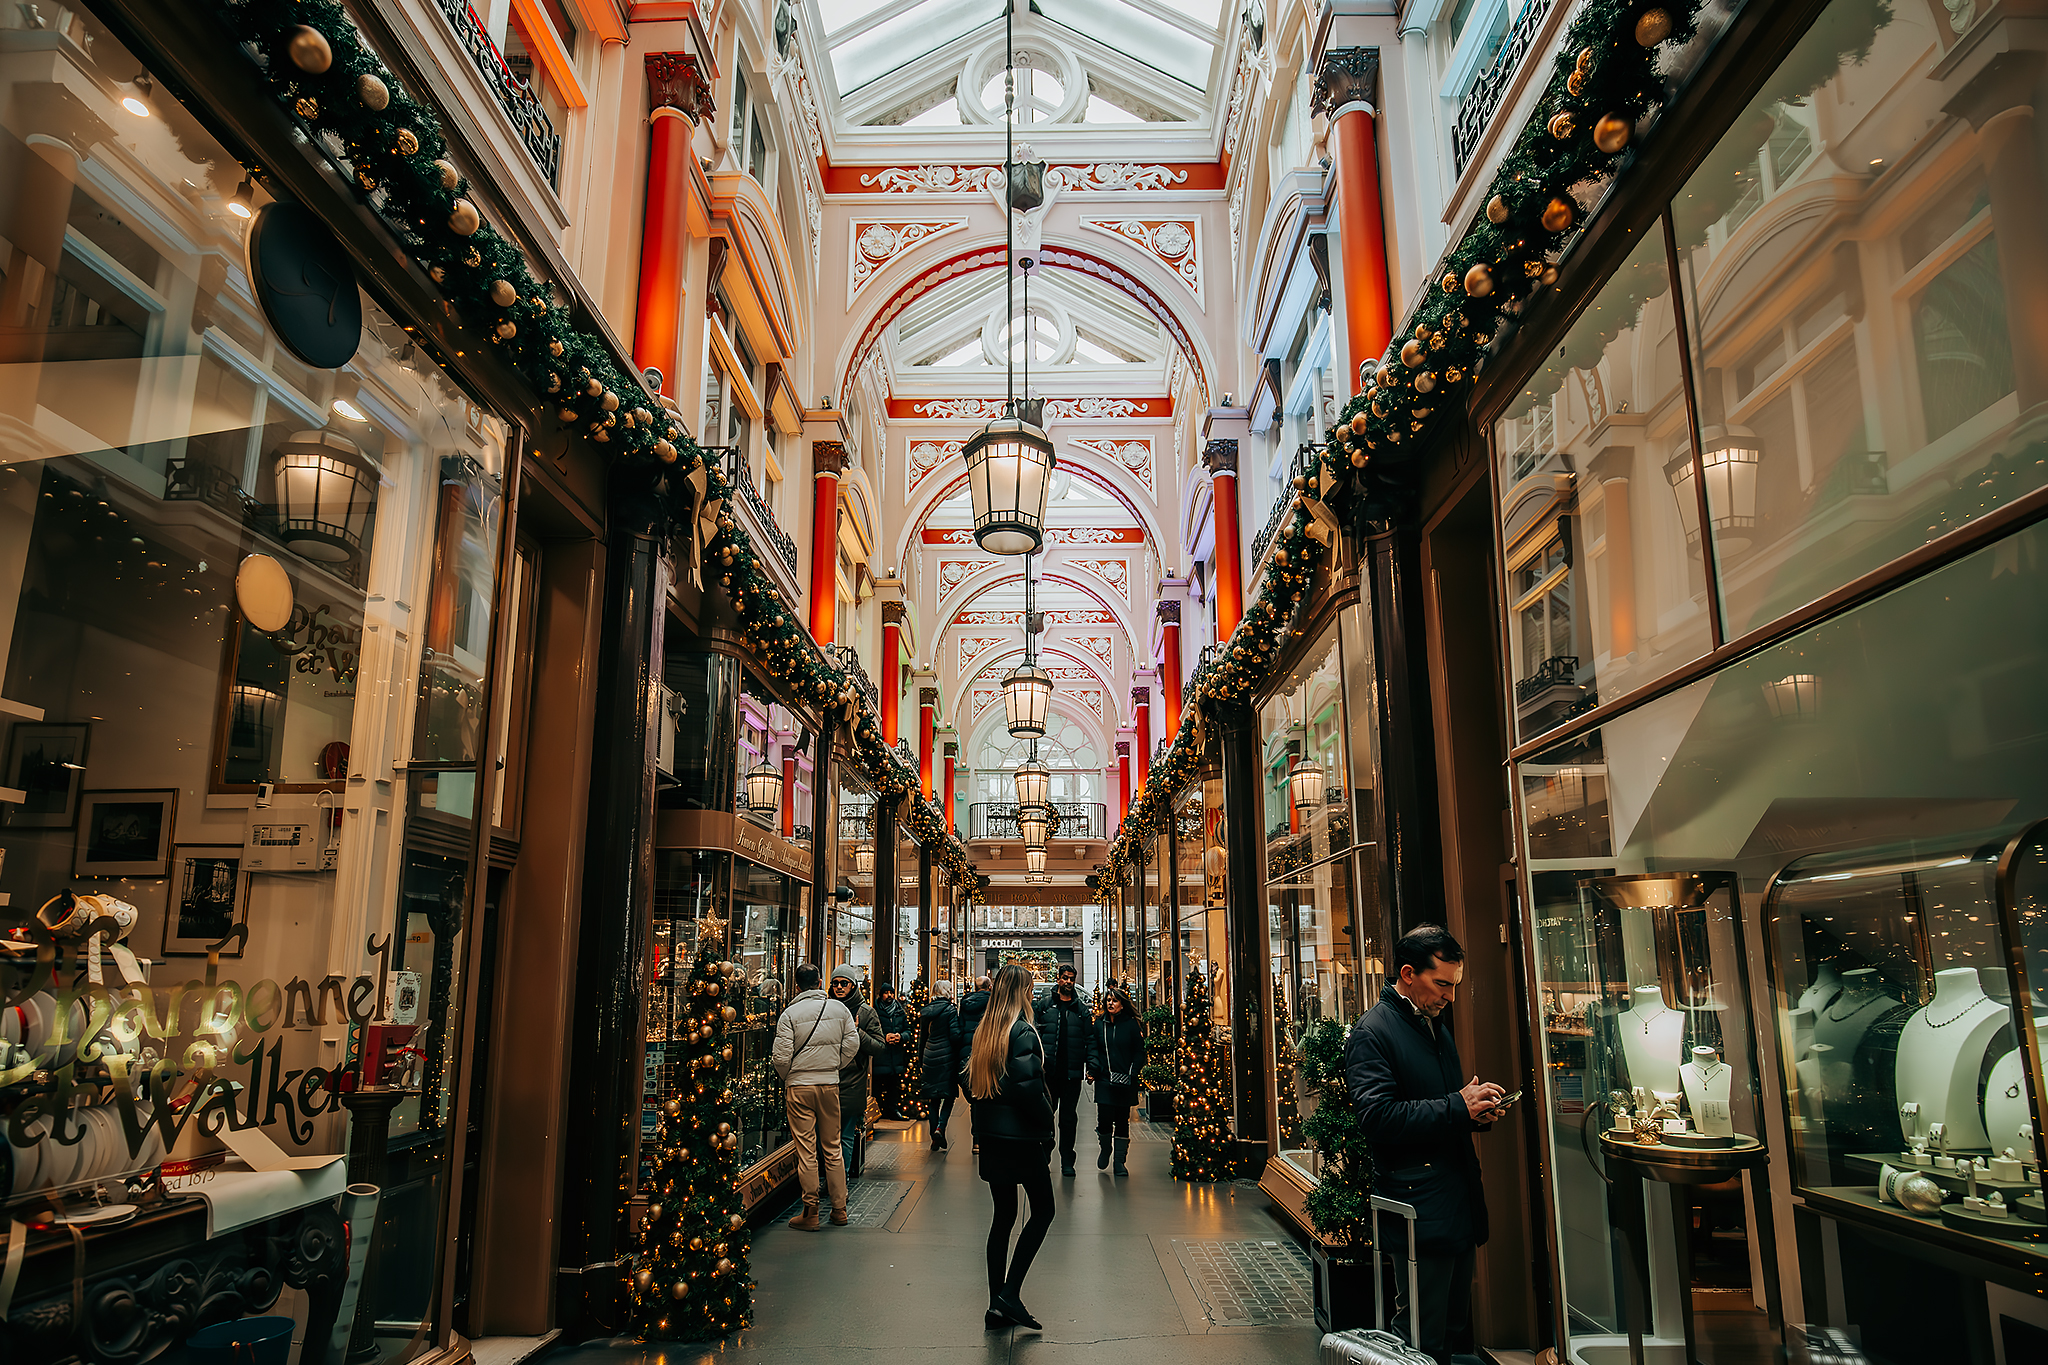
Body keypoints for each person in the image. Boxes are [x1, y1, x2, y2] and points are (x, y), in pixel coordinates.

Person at [1345, 924, 1503, 1365]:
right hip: (1416, 1205)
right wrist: (1457, 1106)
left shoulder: (1431, 1024)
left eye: (1455, 985)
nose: (1450, 996)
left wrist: (1474, 1113)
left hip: (1453, 1199)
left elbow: (1434, 1107)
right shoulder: (1373, 1032)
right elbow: (1377, 1119)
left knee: (1450, 1329)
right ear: (1408, 972)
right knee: (1418, 1336)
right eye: (1443, 984)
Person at [968, 963, 1055, 1331]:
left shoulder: (985, 1031)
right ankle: (1010, 1293)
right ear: (1023, 992)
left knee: (1003, 1216)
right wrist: (1047, 1122)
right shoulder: (1023, 1031)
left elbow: (968, 1080)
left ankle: (995, 1305)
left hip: (991, 1138)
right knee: (1043, 1211)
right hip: (1022, 1139)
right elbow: (1028, 1088)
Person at [771, 962, 861, 1230]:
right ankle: (839, 1209)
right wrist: (834, 1066)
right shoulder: (840, 1009)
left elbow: (781, 1057)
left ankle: (810, 1212)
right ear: (820, 982)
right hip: (829, 1085)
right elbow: (852, 1045)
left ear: (796, 985)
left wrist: (792, 1076)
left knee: (806, 1150)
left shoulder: (789, 1014)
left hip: (799, 1087)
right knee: (833, 1147)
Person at [831, 965, 886, 1177]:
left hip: (852, 1081)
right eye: (835, 983)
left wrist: (857, 1032)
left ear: (853, 986)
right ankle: (827, 1176)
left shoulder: (865, 1012)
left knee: (845, 1134)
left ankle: (840, 1178)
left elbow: (879, 1047)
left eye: (844, 983)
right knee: (826, 1135)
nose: (839, 987)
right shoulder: (827, 1008)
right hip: (827, 1078)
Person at [1038, 963, 1092, 1175]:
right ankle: (1045, 1153)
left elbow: (1089, 1040)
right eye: (1065, 978)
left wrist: (1091, 1067)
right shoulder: (1045, 1005)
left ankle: (1067, 1160)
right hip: (1048, 1073)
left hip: (1071, 1074)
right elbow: (1036, 1036)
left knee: (1068, 1119)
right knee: (1046, 1115)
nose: (1069, 981)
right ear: (1058, 979)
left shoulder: (1081, 1011)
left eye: (1072, 978)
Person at [1086, 984, 1143, 1175]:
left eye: (1115, 1000)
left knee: (1121, 1120)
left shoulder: (1130, 1023)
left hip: (1125, 1079)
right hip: (1104, 1078)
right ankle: (1105, 1148)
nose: (1111, 1003)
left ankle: (1119, 1161)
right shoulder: (1099, 1023)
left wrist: (1133, 1072)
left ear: (1122, 1004)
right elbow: (1093, 1048)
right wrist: (1093, 1069)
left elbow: (1139, 1051)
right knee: (1104, 1119)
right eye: (1108, 1000)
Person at [919, 980, 963, 1151]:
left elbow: (922, 1038)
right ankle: (940, 1128)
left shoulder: (926, 1011)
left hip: (929, 1056)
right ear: (945, 991)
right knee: (949, 1096)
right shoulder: (950, 1010)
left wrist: (921, 1059)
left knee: (933, 1099)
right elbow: (955, 1036)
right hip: (947, 1057)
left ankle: (934, 1137)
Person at [957, 975, 992, 1151]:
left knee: (974, 1096)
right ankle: (985, 1136)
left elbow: (960, 1026)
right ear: (989, 986)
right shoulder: (993, 1002)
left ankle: (977, 1139)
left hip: (967, 1050)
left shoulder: (965, 1002)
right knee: (986, 1094)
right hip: (986, 1049)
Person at [874, 983, 910, 1120]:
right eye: (886, 992)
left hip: (896, 1056)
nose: (889, 995)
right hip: (881, 1056)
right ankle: (877, 1111)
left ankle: (892, 1110)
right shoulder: (875, 1011)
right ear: (881, 994)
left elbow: (908, 1030)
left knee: (893, 1087)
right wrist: (884, 1037)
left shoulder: (900, 1011)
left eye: (891, 993)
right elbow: (871, 1031)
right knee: (877, 1086)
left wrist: (901, 1037)